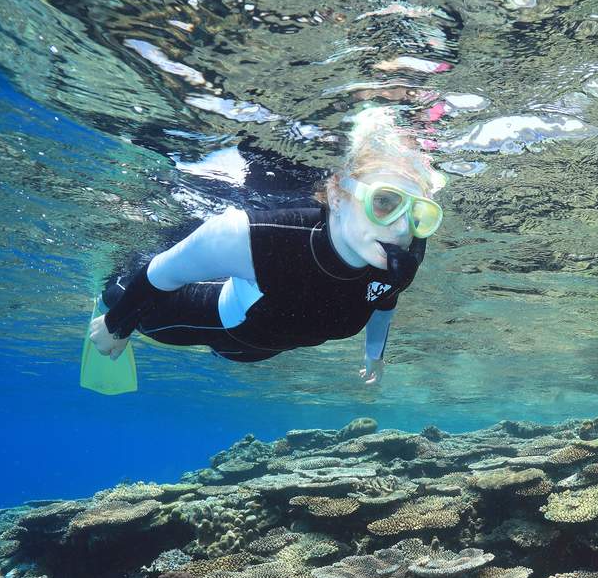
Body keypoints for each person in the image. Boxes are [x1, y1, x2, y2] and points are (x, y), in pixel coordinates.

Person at [87, 109, 446, 385]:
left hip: (258, 351)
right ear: (337, 194)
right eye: (385, 202)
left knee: (233, 356)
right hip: (213, 323)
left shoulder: (402, 255)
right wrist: (118, 323)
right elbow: (162, 273)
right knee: (128, 294)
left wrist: (374, 357)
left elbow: (384, 301)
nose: (402, 227)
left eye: (418, 214)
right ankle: (111, 296)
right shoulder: (256, 234)